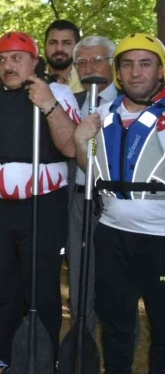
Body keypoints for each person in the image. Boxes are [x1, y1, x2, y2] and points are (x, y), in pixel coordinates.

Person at [0, 31, 80, 374]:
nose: (8, 65)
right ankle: (5, 352)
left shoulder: (58, 92)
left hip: (43, 206)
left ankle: (45, 356)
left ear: (34, 61)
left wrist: (48, 103)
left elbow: (73, 147)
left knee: (41, 284)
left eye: (17, 58)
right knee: (3, 283)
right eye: (2, 59)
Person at [74, 33, 165, 373]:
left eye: (145, 64)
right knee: (115, 322)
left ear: (160, 70)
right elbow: (93, 170)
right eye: (127, 65)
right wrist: (82, 142)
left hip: (160, 238)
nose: (136, 73)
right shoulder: (103, 114)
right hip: (111, 233)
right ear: (118, 71)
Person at [66, 36, 118, 338]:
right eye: (82, 62)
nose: (89, 67)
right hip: (78, 200)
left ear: (112, 64)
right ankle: (81, 343)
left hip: (114, 202)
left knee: (114, 283)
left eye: (97, 60)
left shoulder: (128, 102)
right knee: (78, 277)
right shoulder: (75, 104)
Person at [44, 19, 84, 93]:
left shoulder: (87, 82)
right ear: (45, 46)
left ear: (77, 48)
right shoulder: (33, 79)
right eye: (53, 43)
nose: (59, 49)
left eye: (66, 43)